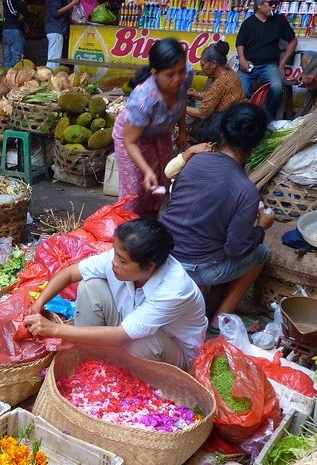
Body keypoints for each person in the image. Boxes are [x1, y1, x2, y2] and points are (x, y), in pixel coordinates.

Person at [23, 218, 207, 369]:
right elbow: (70, 273)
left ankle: (122, 373)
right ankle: (89, 356)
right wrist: (38, 305)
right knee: (90, 286)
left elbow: (123, 334)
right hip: (129, 325)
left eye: (123, 261)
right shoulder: (119, 259)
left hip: (171, 349)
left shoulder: (174, 290)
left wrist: (54, 329)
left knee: (139, 344)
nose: (114, 263)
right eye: (115, 253)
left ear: (149, 267)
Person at [160, 103, 274, 331]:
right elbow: (237, 249)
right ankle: (219, 321)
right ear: (257, 144)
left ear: (221, 133)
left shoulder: (195, 161)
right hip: (197, 267)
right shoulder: (246, 190)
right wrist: (261, 227)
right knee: (261, 252)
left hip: (165, 252)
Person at [113, 38, 192, 218]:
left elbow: (182, 102)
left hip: (161, 132)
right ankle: (125, 234)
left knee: (160, 181)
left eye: (180, 71)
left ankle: (150, 225)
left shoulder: (185, 76)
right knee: (135, 190)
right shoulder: (143, 99)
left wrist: (182, 132)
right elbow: (129, 141)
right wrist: (146, 170)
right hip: (133, 137)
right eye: (170, 74)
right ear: (155, 73)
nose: (178, 79)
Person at [236, 0, 297, 118]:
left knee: (277, 87)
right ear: (259, 5)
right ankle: (245, 118)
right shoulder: (248, 23)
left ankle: (267, 118)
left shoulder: (279, 21)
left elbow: (293, 41)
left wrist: (282, 64)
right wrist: (242, 60)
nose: (273, 6)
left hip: (269, 65)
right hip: (249, 65)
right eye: (270, 3)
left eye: (276, 3)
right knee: (241, 90)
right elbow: (240, 43)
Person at [186, 42, 246, 123]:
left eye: (202, 65)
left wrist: (180, 107)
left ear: (213, 64)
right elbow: (213, 95)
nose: (202, 68)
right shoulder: (231, 72)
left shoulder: (219, 84)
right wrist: (195, 94)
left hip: (231, 121)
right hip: (239, 113)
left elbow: (203, 114)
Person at [45, 0, 79, 70]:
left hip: (55, 29)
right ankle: (48, 78)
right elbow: (55, 13)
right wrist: (72, 4)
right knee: (54, 60)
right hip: (55, 30)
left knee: (54, 58)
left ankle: (48, 77)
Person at [3, 0, 28, 68]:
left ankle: (7, 75)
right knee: (17, 54)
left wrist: (24, 23)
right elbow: (8, 2)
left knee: (8, 55)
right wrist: (17, 14)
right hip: (13, 29)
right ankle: (14, 74)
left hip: (12, 29)